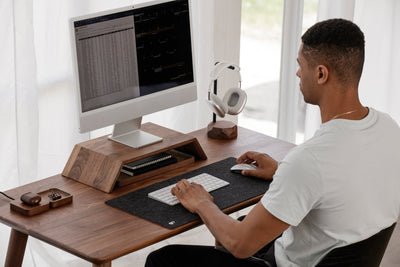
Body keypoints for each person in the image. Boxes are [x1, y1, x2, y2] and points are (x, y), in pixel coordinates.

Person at [145, 18, 400, 267]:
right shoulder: (389, 128)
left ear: (321, 74)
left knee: (162, 259)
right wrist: (282, 172)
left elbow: (240, 244)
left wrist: (201, 202)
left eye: (301, 65)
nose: (298, 73)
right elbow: (349, 177)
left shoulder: (309, 160)